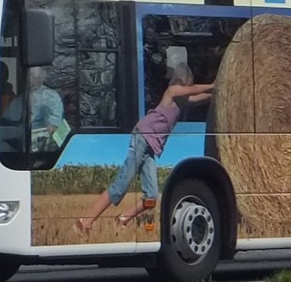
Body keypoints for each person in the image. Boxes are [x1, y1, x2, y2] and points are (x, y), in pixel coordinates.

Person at [75, 64, 214, 234]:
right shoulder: (172, 91)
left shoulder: (182, 101)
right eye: (189, 79)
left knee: (152, 196)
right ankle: (85, 221)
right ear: (183, 79)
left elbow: (200, 97)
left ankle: (123, 219)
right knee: (121, 185)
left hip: (151, 147)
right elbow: (193, 90)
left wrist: (217, 91)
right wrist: (212, 85)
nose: (190, 81)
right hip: (142, 137)